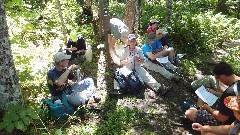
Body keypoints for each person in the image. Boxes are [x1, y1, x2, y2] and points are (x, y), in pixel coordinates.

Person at [185, 62, 240, 126]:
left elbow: (221, 118)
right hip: (229, 112)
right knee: (203, 94)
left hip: (227, 122)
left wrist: (208, 109)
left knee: (188, 113)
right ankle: (199, 109)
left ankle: (198, 111)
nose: (218, 80)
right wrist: (214, 93)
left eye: (217, 78)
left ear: (222, 76)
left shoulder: (230, 92)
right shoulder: (236, 84)